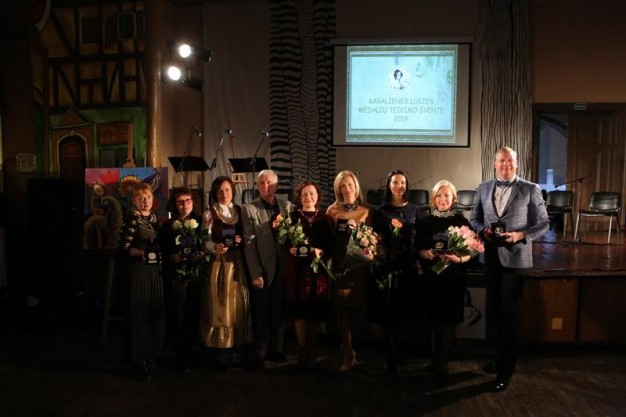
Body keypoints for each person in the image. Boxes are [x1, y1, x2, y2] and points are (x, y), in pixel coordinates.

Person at [470, 146, 549, 392]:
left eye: (510, 160)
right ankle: (499, 357)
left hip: (516, 260)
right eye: (501, 160)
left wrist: (520, 235)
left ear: (517, 163)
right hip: (491, 259)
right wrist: (482, 230)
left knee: (510, 315)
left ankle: (506, 369)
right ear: (495, 164)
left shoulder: (530, 188)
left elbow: (544, 224)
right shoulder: (483, 188)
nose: (505, 164)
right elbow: (474, 219)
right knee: (495, 312)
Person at [415, 179, 475, 378]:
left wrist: (459, 259)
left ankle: (445, 361)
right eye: (439, 195)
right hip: (432, 276)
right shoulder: (425, 222)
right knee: (434, 319)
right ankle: (436, 360)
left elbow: (472, 251)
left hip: (453, 277)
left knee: (449, 320)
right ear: (433, 199)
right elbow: (418, 249)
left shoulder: (462, 222)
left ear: (454, 199)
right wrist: (427, 254)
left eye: (447, 195)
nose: (443, 199)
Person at [200, 176, 254, 370]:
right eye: (220, 191)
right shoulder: (210, 213)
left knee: (237, 306)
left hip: (237, 263)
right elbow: (203, 240)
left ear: (233, 191)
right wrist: (214, 246)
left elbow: (248, 236)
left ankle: (237, 353)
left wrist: (240, 240)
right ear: (215, 193)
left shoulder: (239, 211)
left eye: (227, 190)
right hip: (219, 264)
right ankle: (219, 355)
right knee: (220, 306)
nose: (224, 194)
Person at [242, 169, 293, 367]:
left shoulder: (287, 206)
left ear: (277, 185)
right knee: (261, 311)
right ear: (257, 186)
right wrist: (255, 273)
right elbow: (249, 245)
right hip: (262, 267)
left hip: (283, 266)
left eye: (270, 183)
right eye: (262, 183)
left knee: (279, 310)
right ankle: (259, 352)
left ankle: (277, 349)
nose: (266, 187)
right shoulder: (249, 208)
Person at [370, 169, 419, 373]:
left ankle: (399, 352)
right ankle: (389, 353)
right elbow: (373, 238)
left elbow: (418, 237)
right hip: (386, 265)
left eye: (402, 183)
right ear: (388, 185)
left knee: (403, 309)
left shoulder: (414, 210)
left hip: (406, 265)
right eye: (395, 182)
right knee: (387, 310)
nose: (399, 186)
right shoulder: (380, 211)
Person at [283, 181, 335, 370]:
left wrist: (321, 252)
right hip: (297, 271)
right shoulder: (291, 217)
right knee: (300, 312)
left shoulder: (326, 219)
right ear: (299, 197)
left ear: (318, 196)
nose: (308, 197)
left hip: (317, 272)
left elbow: (331, 246)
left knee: (314, 312)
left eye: (312, 194)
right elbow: (283, 242)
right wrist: (289, 249)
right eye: (304, 194)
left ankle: (312, 350)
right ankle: (302, 350)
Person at [326, 170, 372, 372]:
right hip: (340, 265)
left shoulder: (367, 210)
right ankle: (348, 352)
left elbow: (374, 239)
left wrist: (360, 233)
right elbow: (327, 237)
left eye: (349, 185)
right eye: (342, 186)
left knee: (357, 310)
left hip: (359, 267)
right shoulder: (332, 210)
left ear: (356, 186)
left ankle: (353, 347)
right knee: (342, 310)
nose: (346, 189)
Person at [118, 182, 164, 379]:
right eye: (140, 198)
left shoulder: (154, 218)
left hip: (155, 272)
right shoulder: (132, 220)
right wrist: (141, 253)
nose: (145, 201)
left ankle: (151, 355)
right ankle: (139, 360)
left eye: (148, 197)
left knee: (154, 313)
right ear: (134, 200)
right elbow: (124, 247)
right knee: (140, 315)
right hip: (139, 272)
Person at [158, 187, 203, 372]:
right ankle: (178, 354)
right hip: (175, 277)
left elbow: (206, 244)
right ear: (174, 204)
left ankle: (191, 350)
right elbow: (163, 250)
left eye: (188, 200)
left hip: (195, 276)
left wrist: (201, 254)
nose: (185, 205)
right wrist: (172, 257)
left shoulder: (200, 222)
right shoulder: (168, 226)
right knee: (177, 314)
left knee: (193, 313)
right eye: (180, 202)